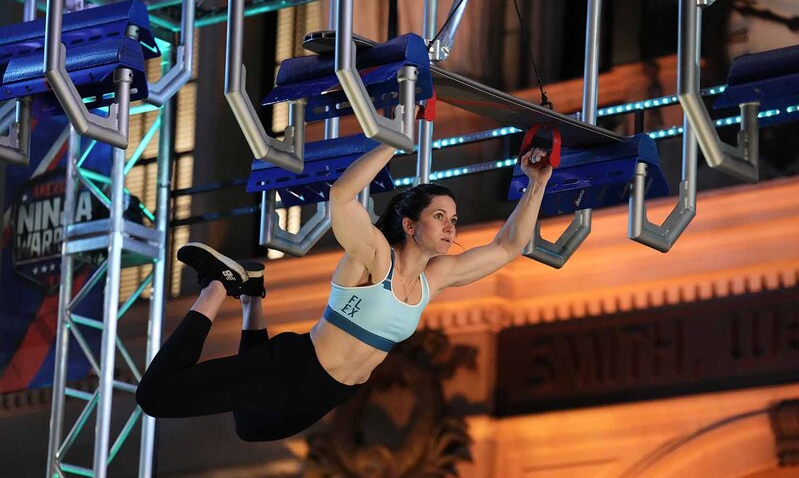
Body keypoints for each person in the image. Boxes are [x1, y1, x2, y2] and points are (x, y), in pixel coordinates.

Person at [136, 144, 552, 441]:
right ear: (409, 225)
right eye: (439, 216)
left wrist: (536, 183)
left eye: (453, 219)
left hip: (330, 392)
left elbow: (508, 246)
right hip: (295, 369)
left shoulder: (436, 278)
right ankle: (216, 286)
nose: (450, 228)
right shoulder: (374, 257)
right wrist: (393, 140)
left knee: (252, 427)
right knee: (155, 396)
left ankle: (250, 295)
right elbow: (341, 196)